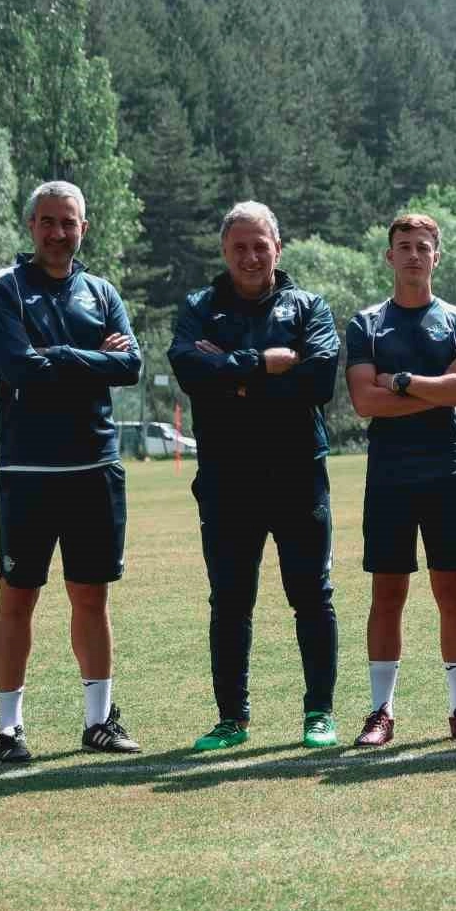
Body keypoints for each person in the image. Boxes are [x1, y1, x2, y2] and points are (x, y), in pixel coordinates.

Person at [0, 181, 143, 763]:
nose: (57, 232)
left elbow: (131, 365)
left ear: (83, 228)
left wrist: (61, 356)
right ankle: (9, 730)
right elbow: (19, 367)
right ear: (31, 226)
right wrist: (93, 357)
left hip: (94, 467)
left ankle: (99, 722)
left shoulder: (101, 291)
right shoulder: (3, 289)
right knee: (17, 596)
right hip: (27, 469)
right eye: (47, 221)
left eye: (68, 222)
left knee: (91, 597)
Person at [169, 201, 343, 750]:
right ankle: (232, 719)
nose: (249, 256)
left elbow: (317, 381)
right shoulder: (199, 308)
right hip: (227, 481)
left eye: (259, 245)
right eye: (239, 247)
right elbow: (189, 370)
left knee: (311, 596)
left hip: (298, 475)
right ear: (224, 251)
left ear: (277, 248)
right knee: (229, 601)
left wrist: (229, 375)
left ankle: (319, 712)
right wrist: (262, 364)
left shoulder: (309, 307)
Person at [344, 214, 456, 747]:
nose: (413, 255)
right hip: (389, 476)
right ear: (390, 256)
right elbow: (365, 402)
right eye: (403, 246)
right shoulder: (366, 324)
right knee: (387, 593)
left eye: (422, 247)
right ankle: (381, 712)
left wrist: (402, 382)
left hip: (447, 470)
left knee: (453, 592)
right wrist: (437, 387)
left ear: (436, 257)